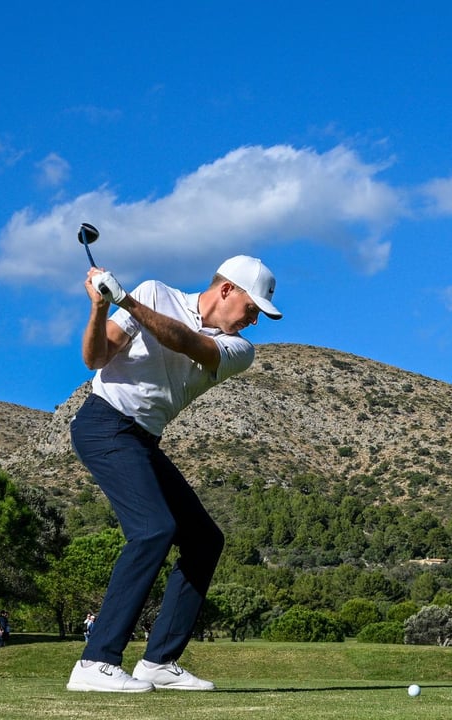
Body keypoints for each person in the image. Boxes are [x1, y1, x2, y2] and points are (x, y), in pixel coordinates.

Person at [65, 254, 283, 693]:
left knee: (204, 540)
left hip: (142, 440)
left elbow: (187, 342)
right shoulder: (153, 293)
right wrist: (100, 306)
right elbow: (95, 358)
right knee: (152, 530)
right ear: (227, 290)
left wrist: (124, 299)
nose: (255, 320)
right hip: (104, 423)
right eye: (253, 308)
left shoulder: (239, 350)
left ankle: (158, 661)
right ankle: (94, 661)